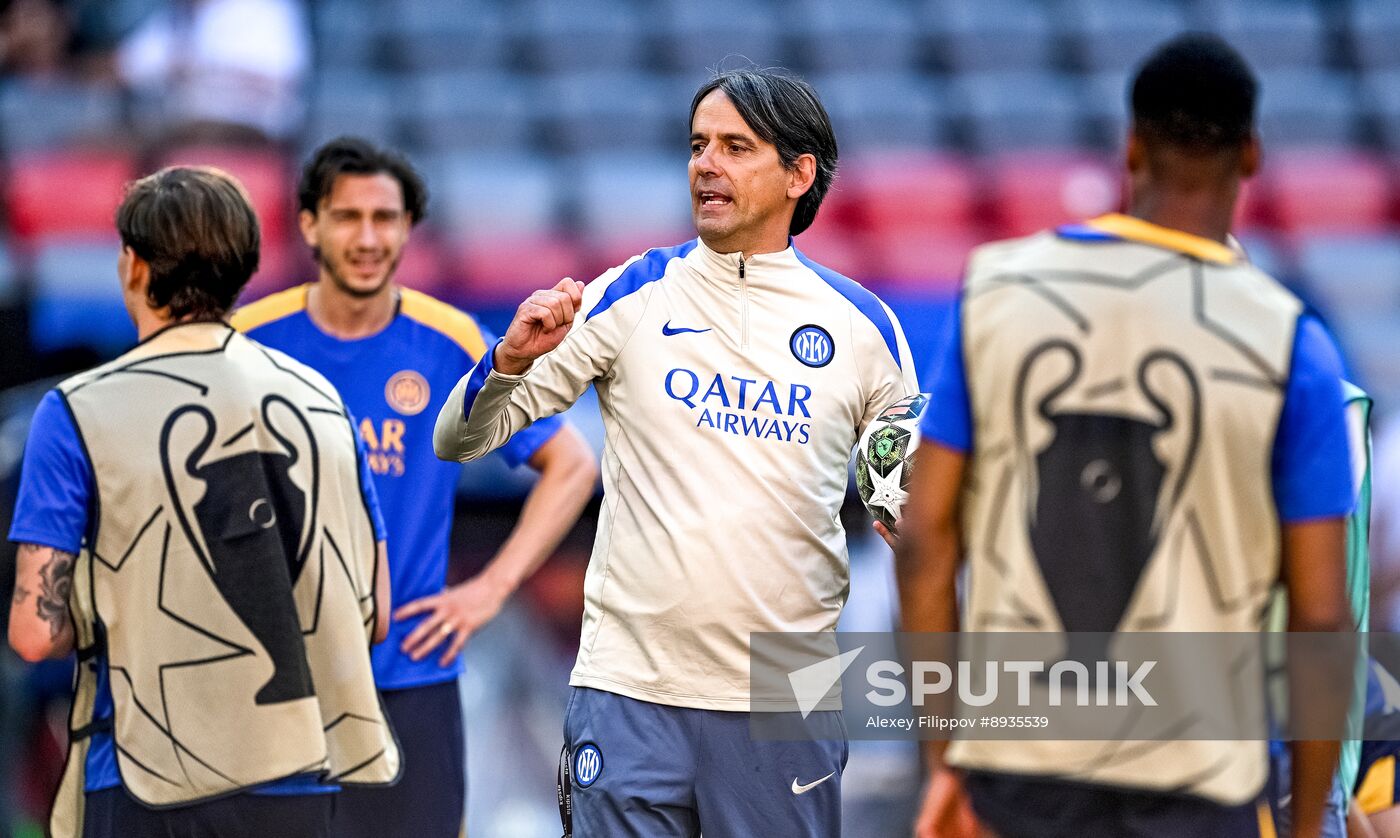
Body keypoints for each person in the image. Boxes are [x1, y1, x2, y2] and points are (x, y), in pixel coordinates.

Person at [434, 68, 917, 837]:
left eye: (735, 146)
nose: (706, 164)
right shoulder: (631, 293)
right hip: (628, 693)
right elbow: (460, 439)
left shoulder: (866, 330)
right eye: (698, 145)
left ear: (799, 174)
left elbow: (908, 515)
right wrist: (510, 361)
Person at [896, 33, 1354, 838]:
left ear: (1133, 145)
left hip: (1019, 769)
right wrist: (1309, 821)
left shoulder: (998, 293)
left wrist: (946, 758)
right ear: (1250, 156)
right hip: (1200, 777)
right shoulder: (1293, 347)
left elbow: (925, 542)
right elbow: (1320, 618)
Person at [7, 166, 398, 838]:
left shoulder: (74, 411)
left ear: (132, 266)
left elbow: (34, 633)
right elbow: (375, 612)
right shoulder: (319, 402)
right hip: (297, 776)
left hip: (138, 776)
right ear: (244, 272)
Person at [231, 137, 598, 838]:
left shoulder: (449, 341)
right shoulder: (248, 341)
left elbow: (573, 464)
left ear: (407, 229)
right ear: (309, 225)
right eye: (348, 217)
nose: (368, 237)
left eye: (385, 218)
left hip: (412, 680)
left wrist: (490, 588)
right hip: (274, 682)